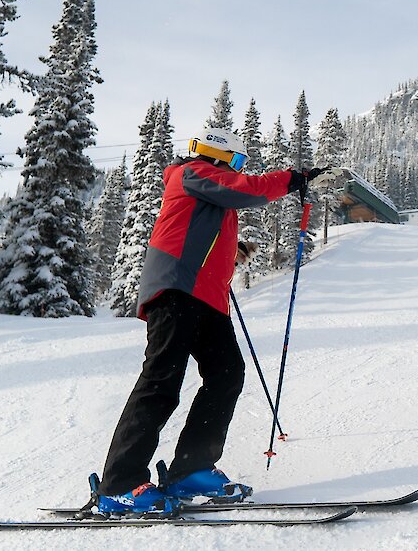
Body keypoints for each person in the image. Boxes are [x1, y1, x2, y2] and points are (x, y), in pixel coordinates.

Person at [96, 125, 327, 514]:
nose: (237, 169)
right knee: (162, 382)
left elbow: (201, 230)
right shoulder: (193, 173)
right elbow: (245, 189)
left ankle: (192, 470)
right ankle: (119, 484)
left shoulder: (209, 193)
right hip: (176, 292)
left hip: (207, 300)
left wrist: (229, 254)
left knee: (227, 375)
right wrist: (293, 179)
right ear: (219, 156)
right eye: (235, 162)